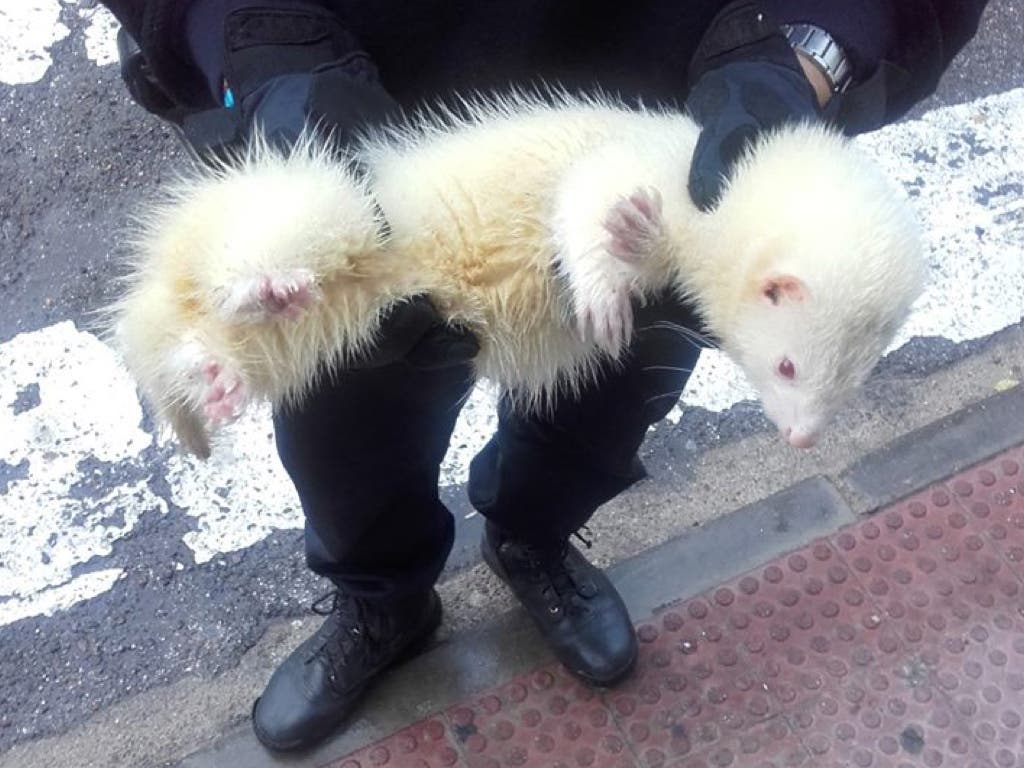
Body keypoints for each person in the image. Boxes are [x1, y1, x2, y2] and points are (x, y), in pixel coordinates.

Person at [99, 0, 988, 752]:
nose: (797, 435)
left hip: (672, 157)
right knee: (348, 431)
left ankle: (533, 539)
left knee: (597, 417)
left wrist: (810, 41)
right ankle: (384, 601)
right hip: (383, 146)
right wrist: (255, 36)